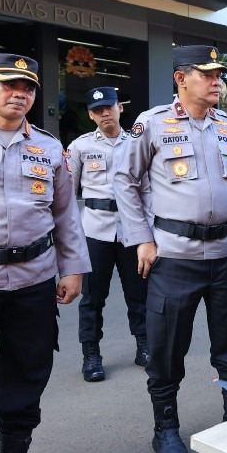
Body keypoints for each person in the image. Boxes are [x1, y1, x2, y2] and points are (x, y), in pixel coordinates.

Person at [114, 45, 227, 453]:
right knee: (166, 348)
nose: (217, 81)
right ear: (182, 78)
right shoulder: (153, 123)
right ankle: (165, 427)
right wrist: (141, 237)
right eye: (208, 74)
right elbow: (125, 180)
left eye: (220, 75)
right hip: (174, 256)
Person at [0, 53, 90, 453]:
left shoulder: (49, 147)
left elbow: (66, 214)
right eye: (9, 84)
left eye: (28, 87)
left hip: (34, 278)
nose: (20, 94)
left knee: (28, 366)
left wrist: (73, 268)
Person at [67, 87, 150, 382]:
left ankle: (144, 346)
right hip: (95, 231)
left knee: (139, 294)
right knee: (92, 298)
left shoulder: (138, 143)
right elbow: (67, 194)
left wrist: (150, 233)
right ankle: (91, 355)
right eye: (98, 109)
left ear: (120, 109)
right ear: (91, 114)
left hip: (132, 230)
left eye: (109, 107)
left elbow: (148, 189)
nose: (105, 113)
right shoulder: (80, 147)